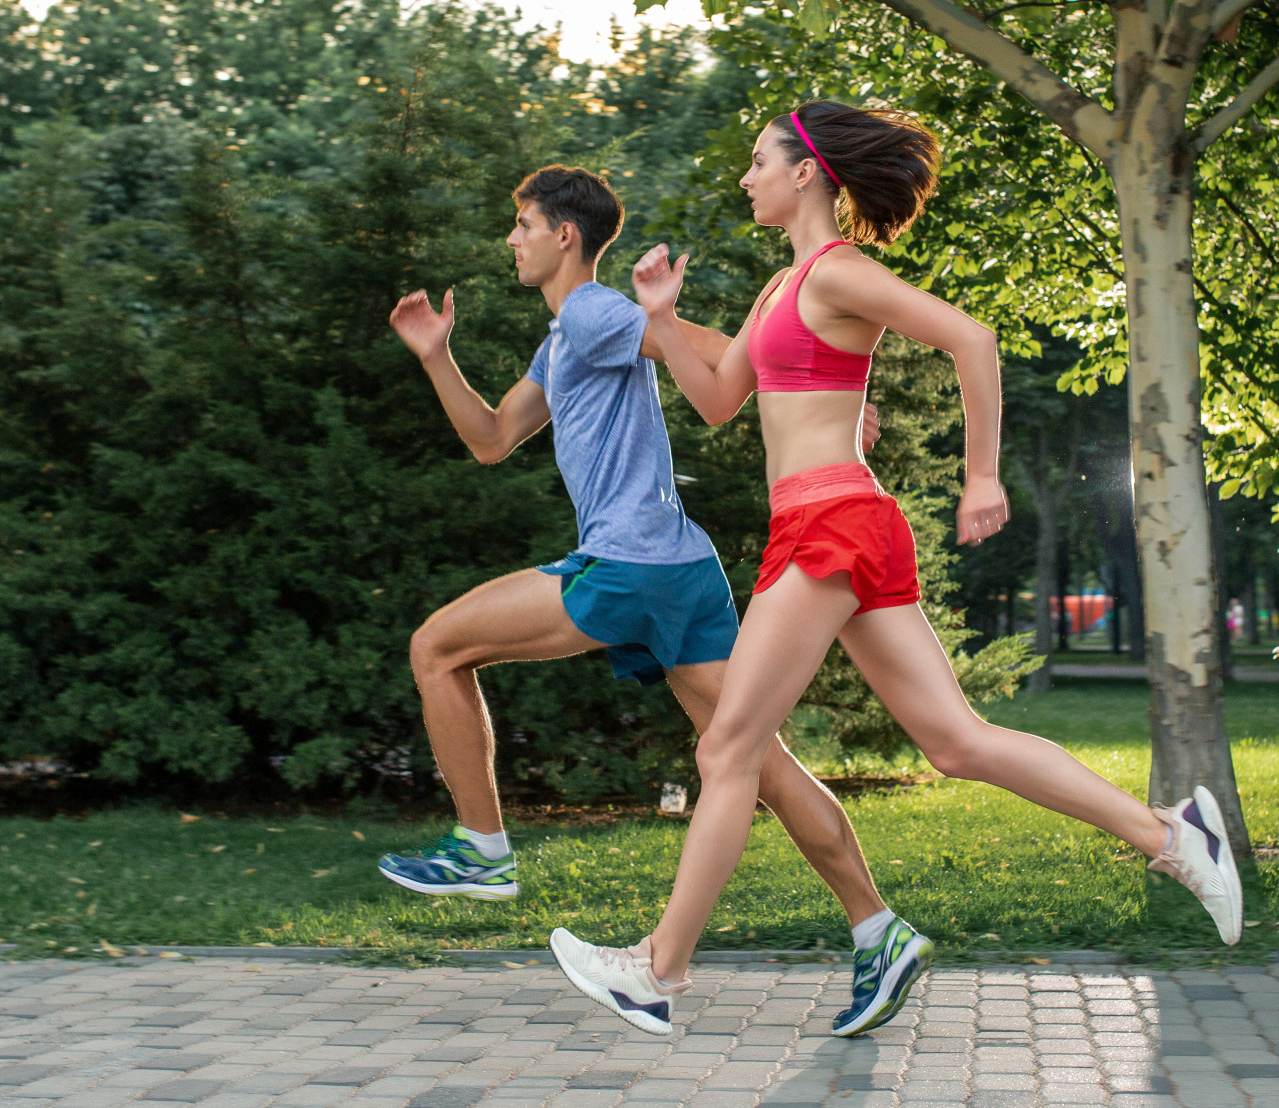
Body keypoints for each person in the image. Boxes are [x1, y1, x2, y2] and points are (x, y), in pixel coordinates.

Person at [548, 103, 1244, 1037]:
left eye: (758, 162)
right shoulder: (781, 287)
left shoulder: (840, 272)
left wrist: (981, 476)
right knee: (955, 743)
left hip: (830, 523)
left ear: (805, 173)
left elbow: (971, 339)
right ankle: (1169, 835)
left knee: (726, 749)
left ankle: (655, 971)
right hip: (829, 524)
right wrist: (663, 321)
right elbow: (716, 402)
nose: (746, 179)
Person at [377, 165, 914, 1031]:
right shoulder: (565, 339)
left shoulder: (592, 311)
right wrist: (437, 357)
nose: (511, 239)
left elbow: (712, 351)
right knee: (757, 762)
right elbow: (492, 438)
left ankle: (481, 849)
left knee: (436, 646)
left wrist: (829, 397)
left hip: (628, 565)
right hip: (680, 569)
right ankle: (878, 930)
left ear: (563, 236)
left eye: (522, 225)